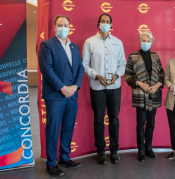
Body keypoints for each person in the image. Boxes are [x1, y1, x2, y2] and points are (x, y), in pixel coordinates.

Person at [38, 15, 84, 177]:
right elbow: (46, 69)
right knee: (53, 129)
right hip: (55, 95)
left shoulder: (75, 47)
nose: (63, 27)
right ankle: (51, 162)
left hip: (72, 95)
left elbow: (80, 68)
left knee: (68, 128)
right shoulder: (47, 45)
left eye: (66, 25)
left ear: (70, 27)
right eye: (60, 25)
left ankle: (64, 157)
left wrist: (75, 86)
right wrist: (62, 88)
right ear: (54, 27)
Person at [82, 13, 126, 165]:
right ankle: (101, 151)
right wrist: (96, 75)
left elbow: (122, 64)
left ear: (111, 25)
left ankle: (114, 151)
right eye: (103, 21)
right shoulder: (90, 42)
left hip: (115, 86)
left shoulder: (118, 43)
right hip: (97, 87)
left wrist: (116, 76)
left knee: (114, 120)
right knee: (99, 120)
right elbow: (85, 65)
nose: (105, 24)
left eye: (108, 22)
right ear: (98, 24)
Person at [124, 31, 165, 162]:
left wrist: (157, 85)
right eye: (143, 40)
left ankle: (148, 148)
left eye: (148, 40)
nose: (145, 43)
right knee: (141, 123)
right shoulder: (133, 56)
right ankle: (141, 150)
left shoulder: (155, 56)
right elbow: (127, 76)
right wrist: (139, 83)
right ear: (139, 41)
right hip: (140, 95)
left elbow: (162, 74)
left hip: (154, 94)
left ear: (152, 42)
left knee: (151, 123)